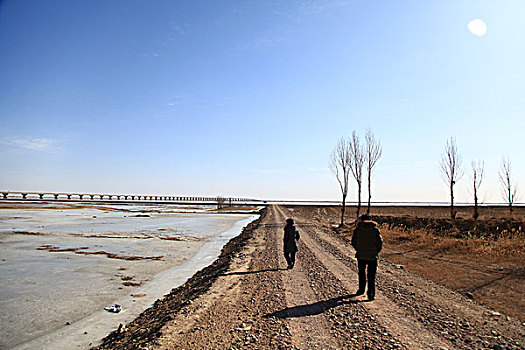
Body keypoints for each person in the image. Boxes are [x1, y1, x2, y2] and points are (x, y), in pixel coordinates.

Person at [351, 214, 383, 300]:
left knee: (361, 273)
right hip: (373, 256)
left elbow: (353, 242)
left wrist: (358, 249)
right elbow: (380, 242)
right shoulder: (375, 230)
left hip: (361, 255)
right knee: (371, 276)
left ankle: (361, 290)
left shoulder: (358, 229)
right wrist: (376, 251)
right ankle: (371, 294)